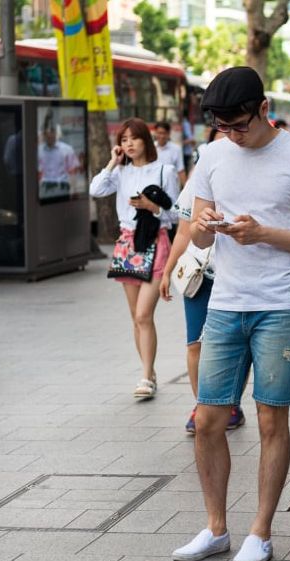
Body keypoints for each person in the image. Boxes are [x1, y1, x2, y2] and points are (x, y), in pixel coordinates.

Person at [172, 67, 290, 561]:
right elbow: (199, 238)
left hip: (281, 305)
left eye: (240, 125)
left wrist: (263, 233)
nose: (233, 135)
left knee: (270, 418)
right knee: (207, 420)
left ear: (263, 109)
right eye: (224, 127)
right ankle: (215, 527)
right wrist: (203, 228)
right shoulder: (213, 155)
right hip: (225, 302)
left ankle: (260, 532)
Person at [160, 128, 248, 434]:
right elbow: (184, 231)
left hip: (236, 275)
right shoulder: (199, 179)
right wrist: (168, 270)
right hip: (200, 275)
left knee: (235, 344)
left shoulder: (252, 177)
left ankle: (231, 403)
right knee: (195, 343)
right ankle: (202, 405)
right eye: (219, 136)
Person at [89, 118, 181, 398]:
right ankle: (148, 370)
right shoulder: (120, 172)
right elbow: (95, 189)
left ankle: (146, 378)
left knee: (144, 314)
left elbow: (177, 213)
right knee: (135, 317)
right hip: (127, 242)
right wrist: (111, 163)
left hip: (156, 241)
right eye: (123, 139)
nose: (128, 144)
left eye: (134, 138)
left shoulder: (165, 170)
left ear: (146, 140)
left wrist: (152, 207)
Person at [38, 115, 82, 197]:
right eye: (46, 132)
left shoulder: (67, 149)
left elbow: (72, 171)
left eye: (52, 132)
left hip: (62, 187)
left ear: (56, 133)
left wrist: (74, 190)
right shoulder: (39, 150)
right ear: (43, 134)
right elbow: (38, 172)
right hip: (45, 188)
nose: (49, 135)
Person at [154, 120, 187, 186]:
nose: (162, 136)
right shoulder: (151, 148)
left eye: (164, 133)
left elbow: (181, 170)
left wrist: (186, 190)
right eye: (159, 133)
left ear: (169, 134)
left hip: (171, 186)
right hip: (154, 186)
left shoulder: (176, 149)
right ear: (155, 133)